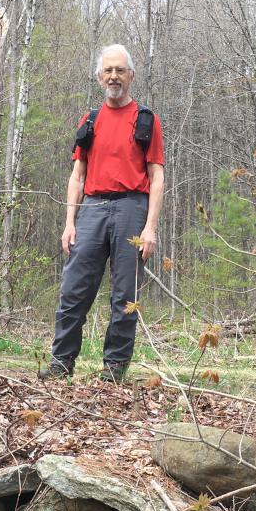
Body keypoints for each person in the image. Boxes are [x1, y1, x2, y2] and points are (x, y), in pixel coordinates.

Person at [39, 43, 165, 382]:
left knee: (125, 295)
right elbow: (77, 175)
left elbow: (156, 176)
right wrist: (69, 223)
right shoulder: (90, 121)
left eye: (120, 70)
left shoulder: (146, 120)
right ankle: (61, 363)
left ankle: (114, 370)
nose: (114, 76)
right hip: (92, 209)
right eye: (108, 71)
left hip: (131, 209)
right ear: (99, 78)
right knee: (73, 289)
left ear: (131, 76)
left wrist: (151, 227)